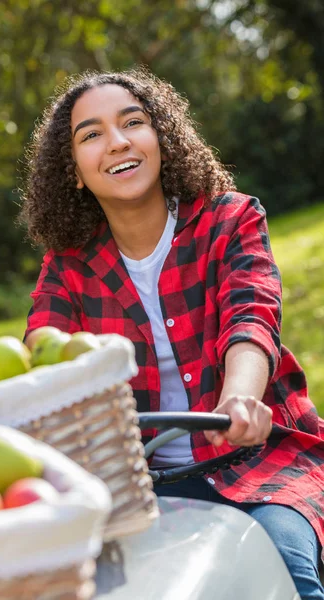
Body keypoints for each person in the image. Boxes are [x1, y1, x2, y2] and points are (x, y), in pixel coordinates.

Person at [20, 67, 324, 599]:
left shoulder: (231, 219)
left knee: (287, 572)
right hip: (138, 493)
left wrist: (239, 400)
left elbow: (252, 317)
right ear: (74, 171)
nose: (116, 142)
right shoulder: (67, 267)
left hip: (260, 462)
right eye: (91, 135)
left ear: (160, 135)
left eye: (132, 122)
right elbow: (40, 361)